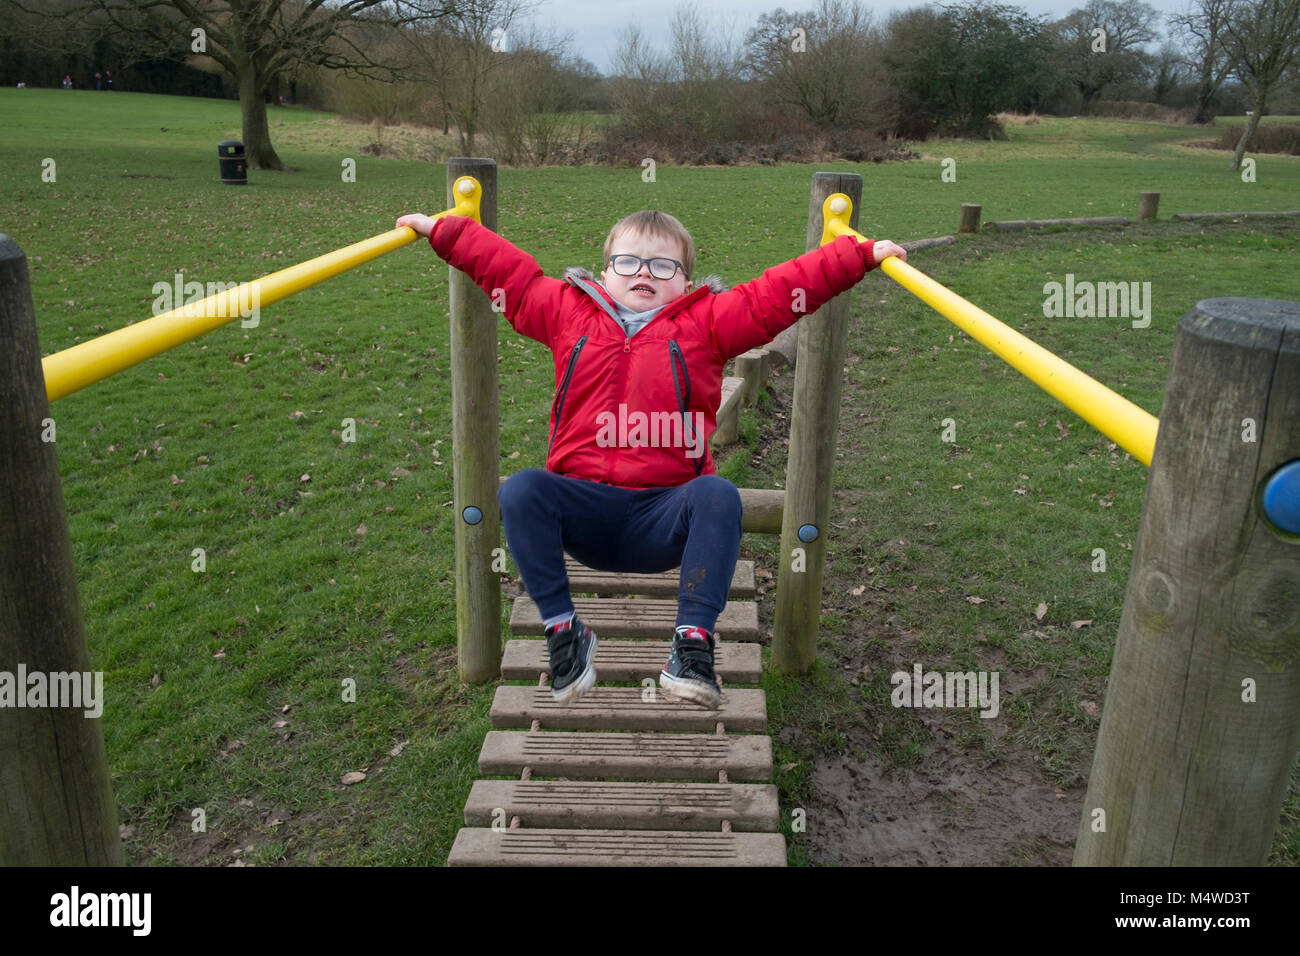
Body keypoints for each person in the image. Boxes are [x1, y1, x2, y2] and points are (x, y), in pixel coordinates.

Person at [395, 205, 905, 708]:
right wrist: (445, 232)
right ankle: (565, 632)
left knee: (717, 493)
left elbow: (770, 297)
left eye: (663, 266)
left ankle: (692, 645)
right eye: (628, 262)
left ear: (685, 283)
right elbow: (515, 278)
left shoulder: (708, 323)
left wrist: (855, 257)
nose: (644, 272)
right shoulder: (566, 314)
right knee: (523, 488)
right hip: (584, 517)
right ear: (604, 272)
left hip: (666, 521)